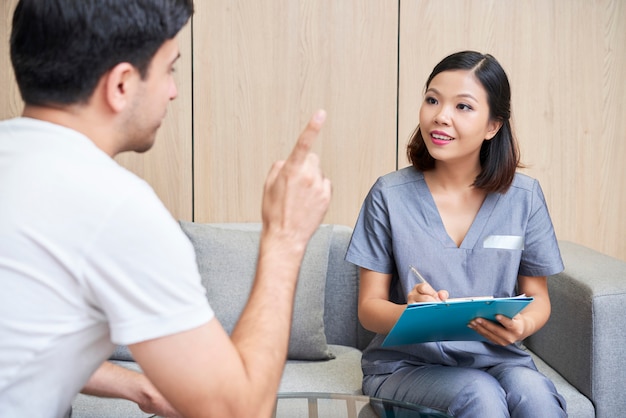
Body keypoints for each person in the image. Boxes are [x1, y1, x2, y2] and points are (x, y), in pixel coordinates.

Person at [0, 1, 331, 417]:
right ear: (121, 84)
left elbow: (22, 336)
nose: (173, 90)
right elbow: (239, 413)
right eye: (169, 69)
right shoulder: (114, 205)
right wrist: (285, 238)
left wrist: (142, 388)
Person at [345, 51, 567, 417]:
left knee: (537, 398)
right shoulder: (389, 194)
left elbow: (538, 297)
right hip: (407, 366)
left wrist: (522, 325)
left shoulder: (524, 198)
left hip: (500, 359)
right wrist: (408, 310)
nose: (440, 116)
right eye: (432, 100)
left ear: (493, 126)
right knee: (479, 394)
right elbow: (369, 309)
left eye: (462, 107)